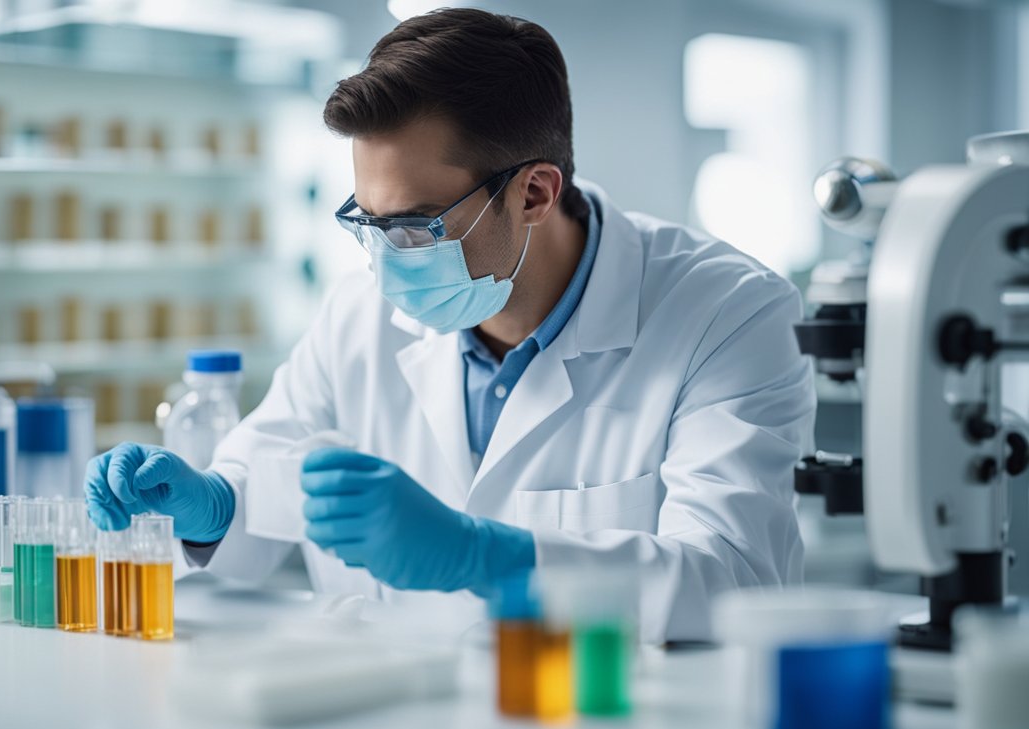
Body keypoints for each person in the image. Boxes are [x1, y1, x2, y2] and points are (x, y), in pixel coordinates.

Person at [85, 7, 815, 642]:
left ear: (534, 193)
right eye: (367, 222)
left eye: (415, 226)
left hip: (592, 726)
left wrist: (486, 557)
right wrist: (214, 506)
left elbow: (733, 582)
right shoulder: (356, 314)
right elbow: (266, 478)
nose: (385, 262)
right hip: (384, 716)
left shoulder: (727, 314)